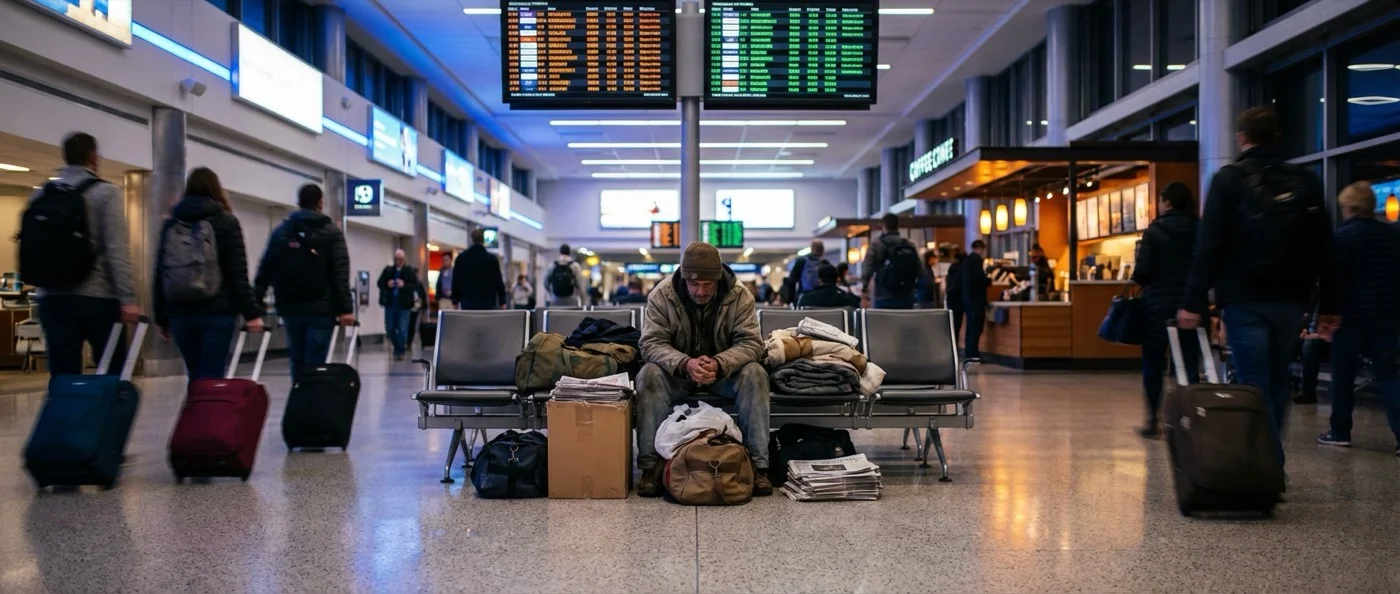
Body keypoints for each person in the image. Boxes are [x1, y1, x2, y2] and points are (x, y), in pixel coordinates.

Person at [1178, 106, 1337, 466]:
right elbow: (1326, 246)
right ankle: (1269, 455)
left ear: (1242, 137)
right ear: (1277, 137)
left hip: (1244, 297)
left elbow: (1210, 246)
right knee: (1279, 377)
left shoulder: (1228, 180)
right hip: (1292, 299)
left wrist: (1193, 301)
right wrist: (1329, 304)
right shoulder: (1306, 180)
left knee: (1252, 379)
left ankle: (1265, 461)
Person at [634, 242, 772, 497]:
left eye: (708, 285)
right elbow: (651, 343)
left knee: (755, 374)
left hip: (724, 375)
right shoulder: (662, 295)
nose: (700, 291)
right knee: (649, 374)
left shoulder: (740, 296)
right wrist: (686, 364)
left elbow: (752, 343)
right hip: (678, 375)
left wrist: (720, 363)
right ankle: (651, 467)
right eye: (694, 284)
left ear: (718, 280)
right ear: (685, 278)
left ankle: (757, 466)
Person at [27, 133, 140, 376]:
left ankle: (66, 413)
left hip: (51, 297)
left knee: (62, 373)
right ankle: (104, 414)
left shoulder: (41, 194)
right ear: (93, 157)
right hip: (96, 297)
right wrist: (128, 297)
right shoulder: (106, 193)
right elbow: (115, 249)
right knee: (110, 371)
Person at [153, 168, 263, 380]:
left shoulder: (172, 223)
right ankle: (210, 413)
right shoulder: (226, 222)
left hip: (180, 312)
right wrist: (252, 314)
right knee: (213, 376)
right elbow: (237, 273)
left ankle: (196, 412)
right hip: (217, 311)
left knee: (194, 376)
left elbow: (160, 271)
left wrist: (161, 316)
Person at [1316, 182, 1400, 456]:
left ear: (1349, 208)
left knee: (1342, 374)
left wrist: (1327, 316)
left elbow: (1333, 281)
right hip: (1386, 315)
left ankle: (1339, 432)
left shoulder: (1342, 238)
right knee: (1388, 374)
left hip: (1351, 316)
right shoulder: (1391, 236)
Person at [254, 183, 354, 383]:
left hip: (290, 307)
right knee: (316, 361)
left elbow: (266, 266)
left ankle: (298, 400)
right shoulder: (331, 232)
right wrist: (346, 309)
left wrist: (255, 303)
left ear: (299, 202)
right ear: (320, 202)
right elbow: (339, 273)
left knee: (297, 358)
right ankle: (312, 405)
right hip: (321, 309)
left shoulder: (283, 231)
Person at [1130, 182, 1200, 438]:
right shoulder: (1198, 229)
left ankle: (1152, 420)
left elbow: (1142, 272)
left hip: (1157, 307)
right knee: (1190, 363)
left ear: (1167, 202)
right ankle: (1192, 419)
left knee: (1153, 364)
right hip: (1190, 306)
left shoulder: (1155, 230)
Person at [860, 214, 929, 309]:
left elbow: (867, 268)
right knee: (903, 322)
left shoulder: (877, 245)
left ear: (883, 226)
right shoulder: (910, 245)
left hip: (883, 295)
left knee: (883, 322)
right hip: (906, 295)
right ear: (898, 226)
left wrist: (864, 287)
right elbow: (921, 270)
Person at [377, 249, 422, 360]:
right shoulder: (388, 271)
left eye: (401, 259)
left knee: (402, 329)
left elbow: (415, 286)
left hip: (404, 305)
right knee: (390, 328)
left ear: (404, 259)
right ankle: (397, 347)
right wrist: (388, 284)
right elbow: (380, 283)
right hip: (390, 304)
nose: (398, 261)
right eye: (397, 258)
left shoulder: (409, 271)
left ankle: (400, 351)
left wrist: (404, 285)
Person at [451, 228, 508, 310]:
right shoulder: (491, 259)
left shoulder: (461, 258)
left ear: (472, 239)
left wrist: (455, 301)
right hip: (487, 303)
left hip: (467, 302)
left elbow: (456, 280)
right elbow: (498, 281)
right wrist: (502, 301)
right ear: (483, 240)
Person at [961, 240, 990, 359]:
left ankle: (969, 353)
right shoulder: (977, 260)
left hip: (967, 298)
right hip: (976, 299)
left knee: (970, 326)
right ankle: (974, 354)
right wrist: (988, 280)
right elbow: (979, 277)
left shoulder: (966, 261)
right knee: (976, 327)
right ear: (979, 248)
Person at [796, 261, 861, 309]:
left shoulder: (806, 299)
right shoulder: (849, 299)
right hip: (839, 327)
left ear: (819, 280)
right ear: (837, 279)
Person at [782, 240, 828, 304]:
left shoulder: (802, 261)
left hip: (804, 297)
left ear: (811, 249)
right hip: (821, 299)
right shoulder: (825, 263)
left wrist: (791, 299)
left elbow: (791, 281)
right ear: (823, 250)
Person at [946, 247, 966, 338]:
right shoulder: (963, 271)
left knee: (951, 325)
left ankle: (952, 345)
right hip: (959, 300)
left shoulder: (951, 269)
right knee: (957, 325)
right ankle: (955, 346)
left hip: (950, 298)